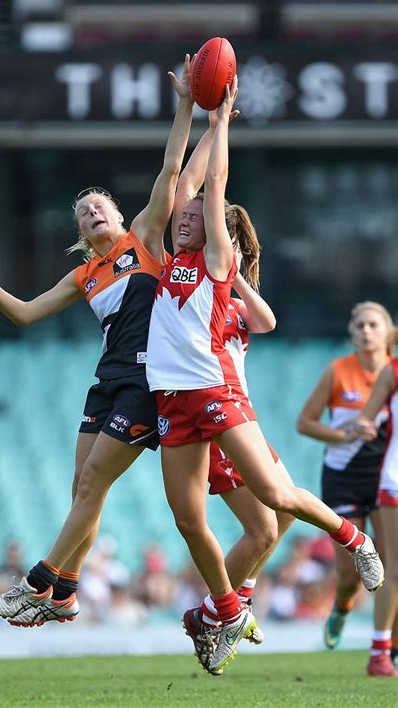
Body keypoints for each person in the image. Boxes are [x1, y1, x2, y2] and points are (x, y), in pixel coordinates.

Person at [0, 55, 195, 627]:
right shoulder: (84, 276)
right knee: (83, 489)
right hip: (106, 381)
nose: (90, 213)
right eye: (82, 214)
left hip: (144, 380)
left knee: (93, 485)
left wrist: (185, 104)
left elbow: (172, 170)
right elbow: (27, 315)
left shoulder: (146, 241)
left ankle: (37, 584)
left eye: (98, 206)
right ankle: (67, 595)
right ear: (81, 233)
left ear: (117, 214)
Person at [145, 78, 384, 676]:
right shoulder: (165, 259)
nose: (184, 217)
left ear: (214, 230)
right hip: (171, 401)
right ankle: (221, 610)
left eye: (195, 217)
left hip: (218, 396)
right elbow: (183, 177)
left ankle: (353, 542)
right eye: (183, 214)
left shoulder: (217, 266)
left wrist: (221, 120)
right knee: (190, 520)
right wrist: (190, 111)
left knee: (276, 503)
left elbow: (214, 184)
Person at [165, 111, 295, 655]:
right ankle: (217, 614)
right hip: (215, 415)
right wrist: (213, 123)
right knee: (265, 528)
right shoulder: (192, 272)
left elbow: (265, 322)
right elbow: (192, 181)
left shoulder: (230, 296)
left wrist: (236, 272)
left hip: (241, 410)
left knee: (283, 512)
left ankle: (230, 601)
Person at [296, 301, 394, 650]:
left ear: (388, 333)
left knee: (390, 566)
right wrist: (344, 434)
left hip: (385, 476)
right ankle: (341, 606)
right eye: (360, 326)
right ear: (352, 335)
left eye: (373, 325)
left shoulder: (394, 372)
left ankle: (386, 647)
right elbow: (304, 422)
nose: (366, 331)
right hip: (343, 474)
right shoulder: (338, 371)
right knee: (351, 572)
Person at [355, 351, 398, 678]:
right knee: (395, 569)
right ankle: (379, 653)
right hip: (395, 480)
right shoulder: (392, 371)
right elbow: (366, 416)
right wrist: (363, 425)